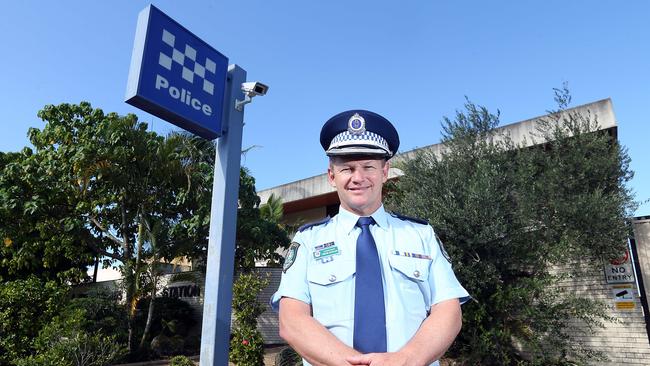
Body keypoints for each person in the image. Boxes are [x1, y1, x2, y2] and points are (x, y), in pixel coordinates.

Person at [271, 110, 470, 366]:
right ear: (332, 176)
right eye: (347, 168)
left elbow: (448, 312)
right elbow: (292, 320)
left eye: (368, 167)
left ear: (385, 172)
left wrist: (405, 360)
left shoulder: (421, 235)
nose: (358, 178)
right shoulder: (308, 240)